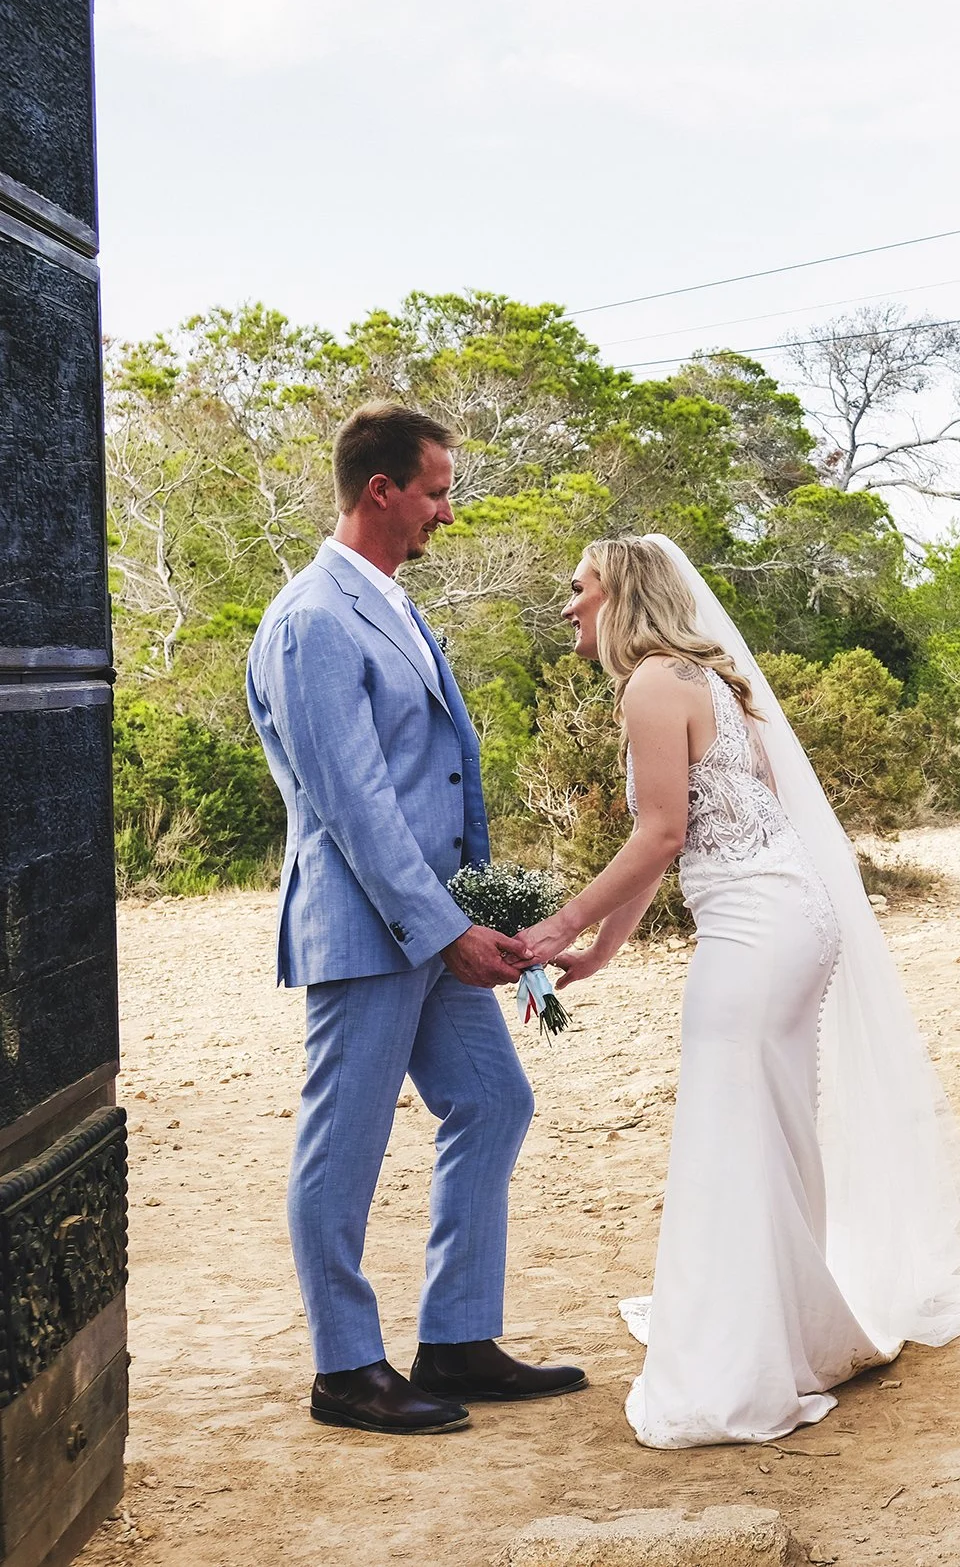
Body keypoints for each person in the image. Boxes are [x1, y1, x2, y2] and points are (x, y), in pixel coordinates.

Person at [516, 535, 960, 1449]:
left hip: (754, 930)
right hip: (785, 918)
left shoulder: (652, 685)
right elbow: (687, 836)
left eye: (579, 588)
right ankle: (789, 1330)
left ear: (621, 592)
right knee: (767, 1126)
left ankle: (740, 1369)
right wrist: (605, 949)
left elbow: (658, 836)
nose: (569, 607)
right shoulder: (709, 679)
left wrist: (557, 927)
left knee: (730, 1129)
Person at [245, 402, 585, 1435]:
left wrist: (481, 917)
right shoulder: (310, 619)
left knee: (493, 1100)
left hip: (438, 927)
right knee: (342, 1146)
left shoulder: (392, 604)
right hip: (367, 929)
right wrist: (445, 927)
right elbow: (352, 802)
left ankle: (456, 1337)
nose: (448, 507)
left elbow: (441, 774)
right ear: (380, 489)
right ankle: (346, 1367)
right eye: (436, 488)